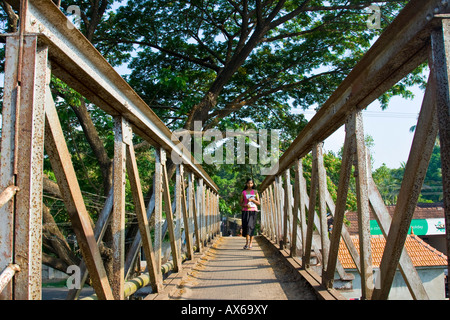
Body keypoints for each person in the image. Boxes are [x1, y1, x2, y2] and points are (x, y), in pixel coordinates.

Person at [239, 178, 260, 250]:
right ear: (246, 184)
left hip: (253, 211)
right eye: (248, 183)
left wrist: (252, 200)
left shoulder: (255, 192)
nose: (250, 185)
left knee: (251, 226)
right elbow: (240, 203)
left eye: (251, 183)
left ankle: (250, 243)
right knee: (246, 226)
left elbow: (259, 203)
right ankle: (247, 242)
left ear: (253, 184)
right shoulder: (243, 192)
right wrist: (245, 205)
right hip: (245, 211)